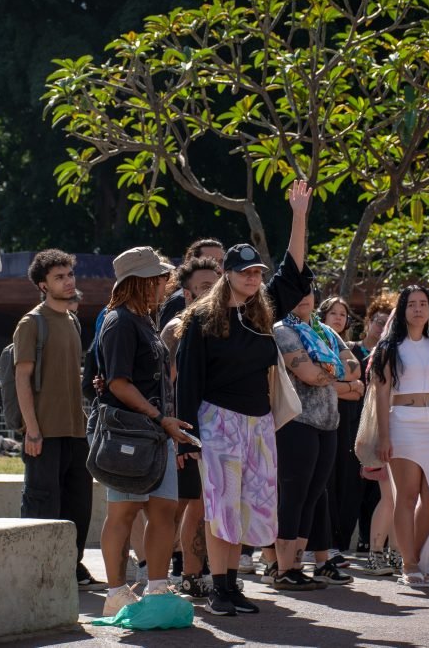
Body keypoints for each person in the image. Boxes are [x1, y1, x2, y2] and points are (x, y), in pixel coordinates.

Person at [175, 180, 313, 616]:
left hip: (258, 422)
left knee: (247, 507)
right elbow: (188, 382)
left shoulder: (262, 309)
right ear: (227, 275)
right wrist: (185, 437)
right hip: (216, 421)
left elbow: (292, 268)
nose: (253, 279)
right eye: (245, 273)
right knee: (220, 509)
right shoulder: (200, 318)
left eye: (257, 273)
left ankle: (232, 586)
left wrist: (298, 215)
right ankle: (218, 588)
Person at [95, 246, 197, 617]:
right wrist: (160, 417)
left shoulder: (144, 320)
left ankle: (156, 586)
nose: (164, 284)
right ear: (141, 282)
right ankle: (116, 592)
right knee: (123, 512)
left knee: (164, 509)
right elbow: (118, 383)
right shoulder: (120, 321)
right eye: (158, 279)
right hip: (131, 433)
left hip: (154, 432)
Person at [13, 249, 95, 586]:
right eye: (59, 277)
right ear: (43, 285)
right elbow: (22, 379)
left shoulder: (73, 320)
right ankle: (39, 570)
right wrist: (32, 431)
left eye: (69, 275)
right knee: (43, 504)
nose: (68, 281)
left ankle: (71, 566)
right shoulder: (32, 323)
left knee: (78, 504)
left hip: (76, 430)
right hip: (43, 432)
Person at [268, 291, 360, 589]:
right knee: (293, 496)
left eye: (307, 290)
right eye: (296, 290)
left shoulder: (326, 331)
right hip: (296, 422)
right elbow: (307, 374)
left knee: (311, 497)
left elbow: (356, 367)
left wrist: (331, 375)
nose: (302, 296)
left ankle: (296, 565)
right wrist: (340, 379)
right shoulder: (283, 330)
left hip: (328, 424)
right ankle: (283, 569)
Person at [372, 285, 429, 588]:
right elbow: (382, 396)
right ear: (403, 309)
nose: (419, 309)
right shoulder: (389, 347)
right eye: (412, 304)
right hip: (403, 424)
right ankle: (409, 564)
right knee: (407, 496)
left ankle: (415, 556)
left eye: (424, 303)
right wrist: (384, 437)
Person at [161, 256, 221, 598]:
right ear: (186, 294)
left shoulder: (229, 323)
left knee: (208, 504)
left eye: (215, 286)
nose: (211, 293)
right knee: (191, 504)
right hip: (187, 429)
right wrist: (177, 435)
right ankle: (188, 574)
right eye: (203, 288)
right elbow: (167, 386)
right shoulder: (177, 328)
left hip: (223, 427)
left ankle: (207, 572)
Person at [353, 292, 400, 576]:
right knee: (391, 496)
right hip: (389, 431)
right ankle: (376, 553)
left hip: (407, 430)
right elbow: (380, 397)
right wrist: (384, 437)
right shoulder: (385, 352)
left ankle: (395, 553)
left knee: (402, 497)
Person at [318, 296, 364, 566]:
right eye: (332, 312)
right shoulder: (315, 343)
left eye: (343, 314)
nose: (338, 317)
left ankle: (338, 543)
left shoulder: (348, 349)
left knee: (345, 483)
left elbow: (360, 389)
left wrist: (343, 387)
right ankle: (324, 545)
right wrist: (347, 387)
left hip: (346, 423)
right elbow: (321, 385)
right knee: (326, 483)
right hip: (321, 420)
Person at [158, 238, 225, 330]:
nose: (218, 268)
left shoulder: (228, 296)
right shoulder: (179, 301)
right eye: (210, 260)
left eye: (221, 261)